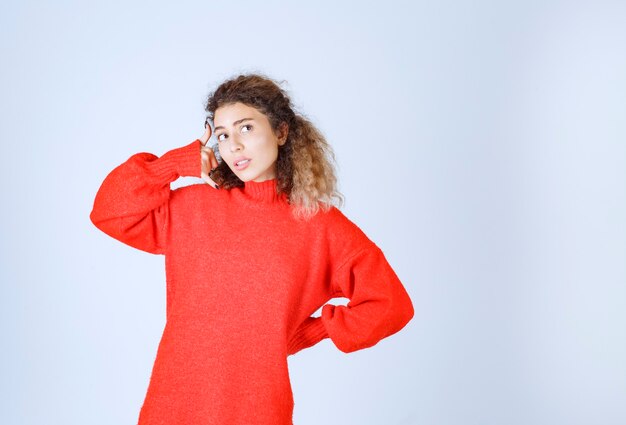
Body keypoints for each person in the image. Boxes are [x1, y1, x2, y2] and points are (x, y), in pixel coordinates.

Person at [89, 73, 414, 425]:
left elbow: (390, 304)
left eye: (246, 128)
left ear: (281, 132)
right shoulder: (193, 207)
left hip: (257, 410)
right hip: (173, 406)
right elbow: (109, 211)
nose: (234, 146)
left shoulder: (320, 225)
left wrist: (315, 330)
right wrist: (174, 164)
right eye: (223, 135)